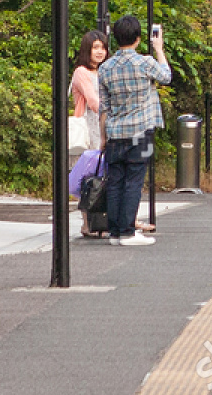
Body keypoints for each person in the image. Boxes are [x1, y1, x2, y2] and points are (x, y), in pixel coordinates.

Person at [98, 16, 170, 247]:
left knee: (116, 180)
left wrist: (103, 137)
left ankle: (116, 231)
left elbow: (104, 107)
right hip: (142, 131)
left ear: (114, 39)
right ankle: (129, 232)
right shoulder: (145, 63)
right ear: (138, 39)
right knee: (134, 181)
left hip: (115, 133)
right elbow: (166, 76)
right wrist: (159, 49)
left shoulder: (105, 68)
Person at [69, 30, 107, 237]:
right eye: (95, 47)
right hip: (89, 127)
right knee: (88, 179)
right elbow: (93, 103)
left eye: (102, 47)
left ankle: (99, 222)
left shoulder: (103, 71)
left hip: (102, 127)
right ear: (87, 50)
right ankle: (87, 224)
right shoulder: (81, 72)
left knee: (101, 177)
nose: (100, 52)